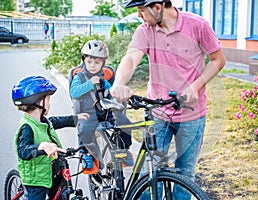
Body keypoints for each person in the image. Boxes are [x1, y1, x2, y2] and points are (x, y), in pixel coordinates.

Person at [110, 0, 226, 183]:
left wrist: (195, 87)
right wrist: (118, 83)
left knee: (185, 173)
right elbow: (131, 58)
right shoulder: (145, 30)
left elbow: (218, 60)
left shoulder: (198, 25)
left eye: (141, 10)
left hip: (192, 116)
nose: (139, 15)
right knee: (149, 171)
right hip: (158, 114)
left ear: (157, 7)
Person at [12, 75, 89, 200]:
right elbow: (23, 151)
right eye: (48, 100)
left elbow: (57, 121)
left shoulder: (43, 121)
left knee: (60, 193)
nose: (49, 103)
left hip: (51, 170)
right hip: (36, 179)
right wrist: (41, 146)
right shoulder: (27, 127)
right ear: (38, 102)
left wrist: (77, 119)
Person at [70, 40, 134, 170]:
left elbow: (112, 92)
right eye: (89, 62)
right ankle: (86, 153)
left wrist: (120, 94)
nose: (92, 65)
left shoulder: (103, 78)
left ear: (103, 64)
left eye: (97, 62)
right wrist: (90, 84)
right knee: (84, 128)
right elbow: (74, 93)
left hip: (105, 112)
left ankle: (124, 149)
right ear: (84, 60)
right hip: (88, 112)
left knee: (125, 123)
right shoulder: (80, 76)